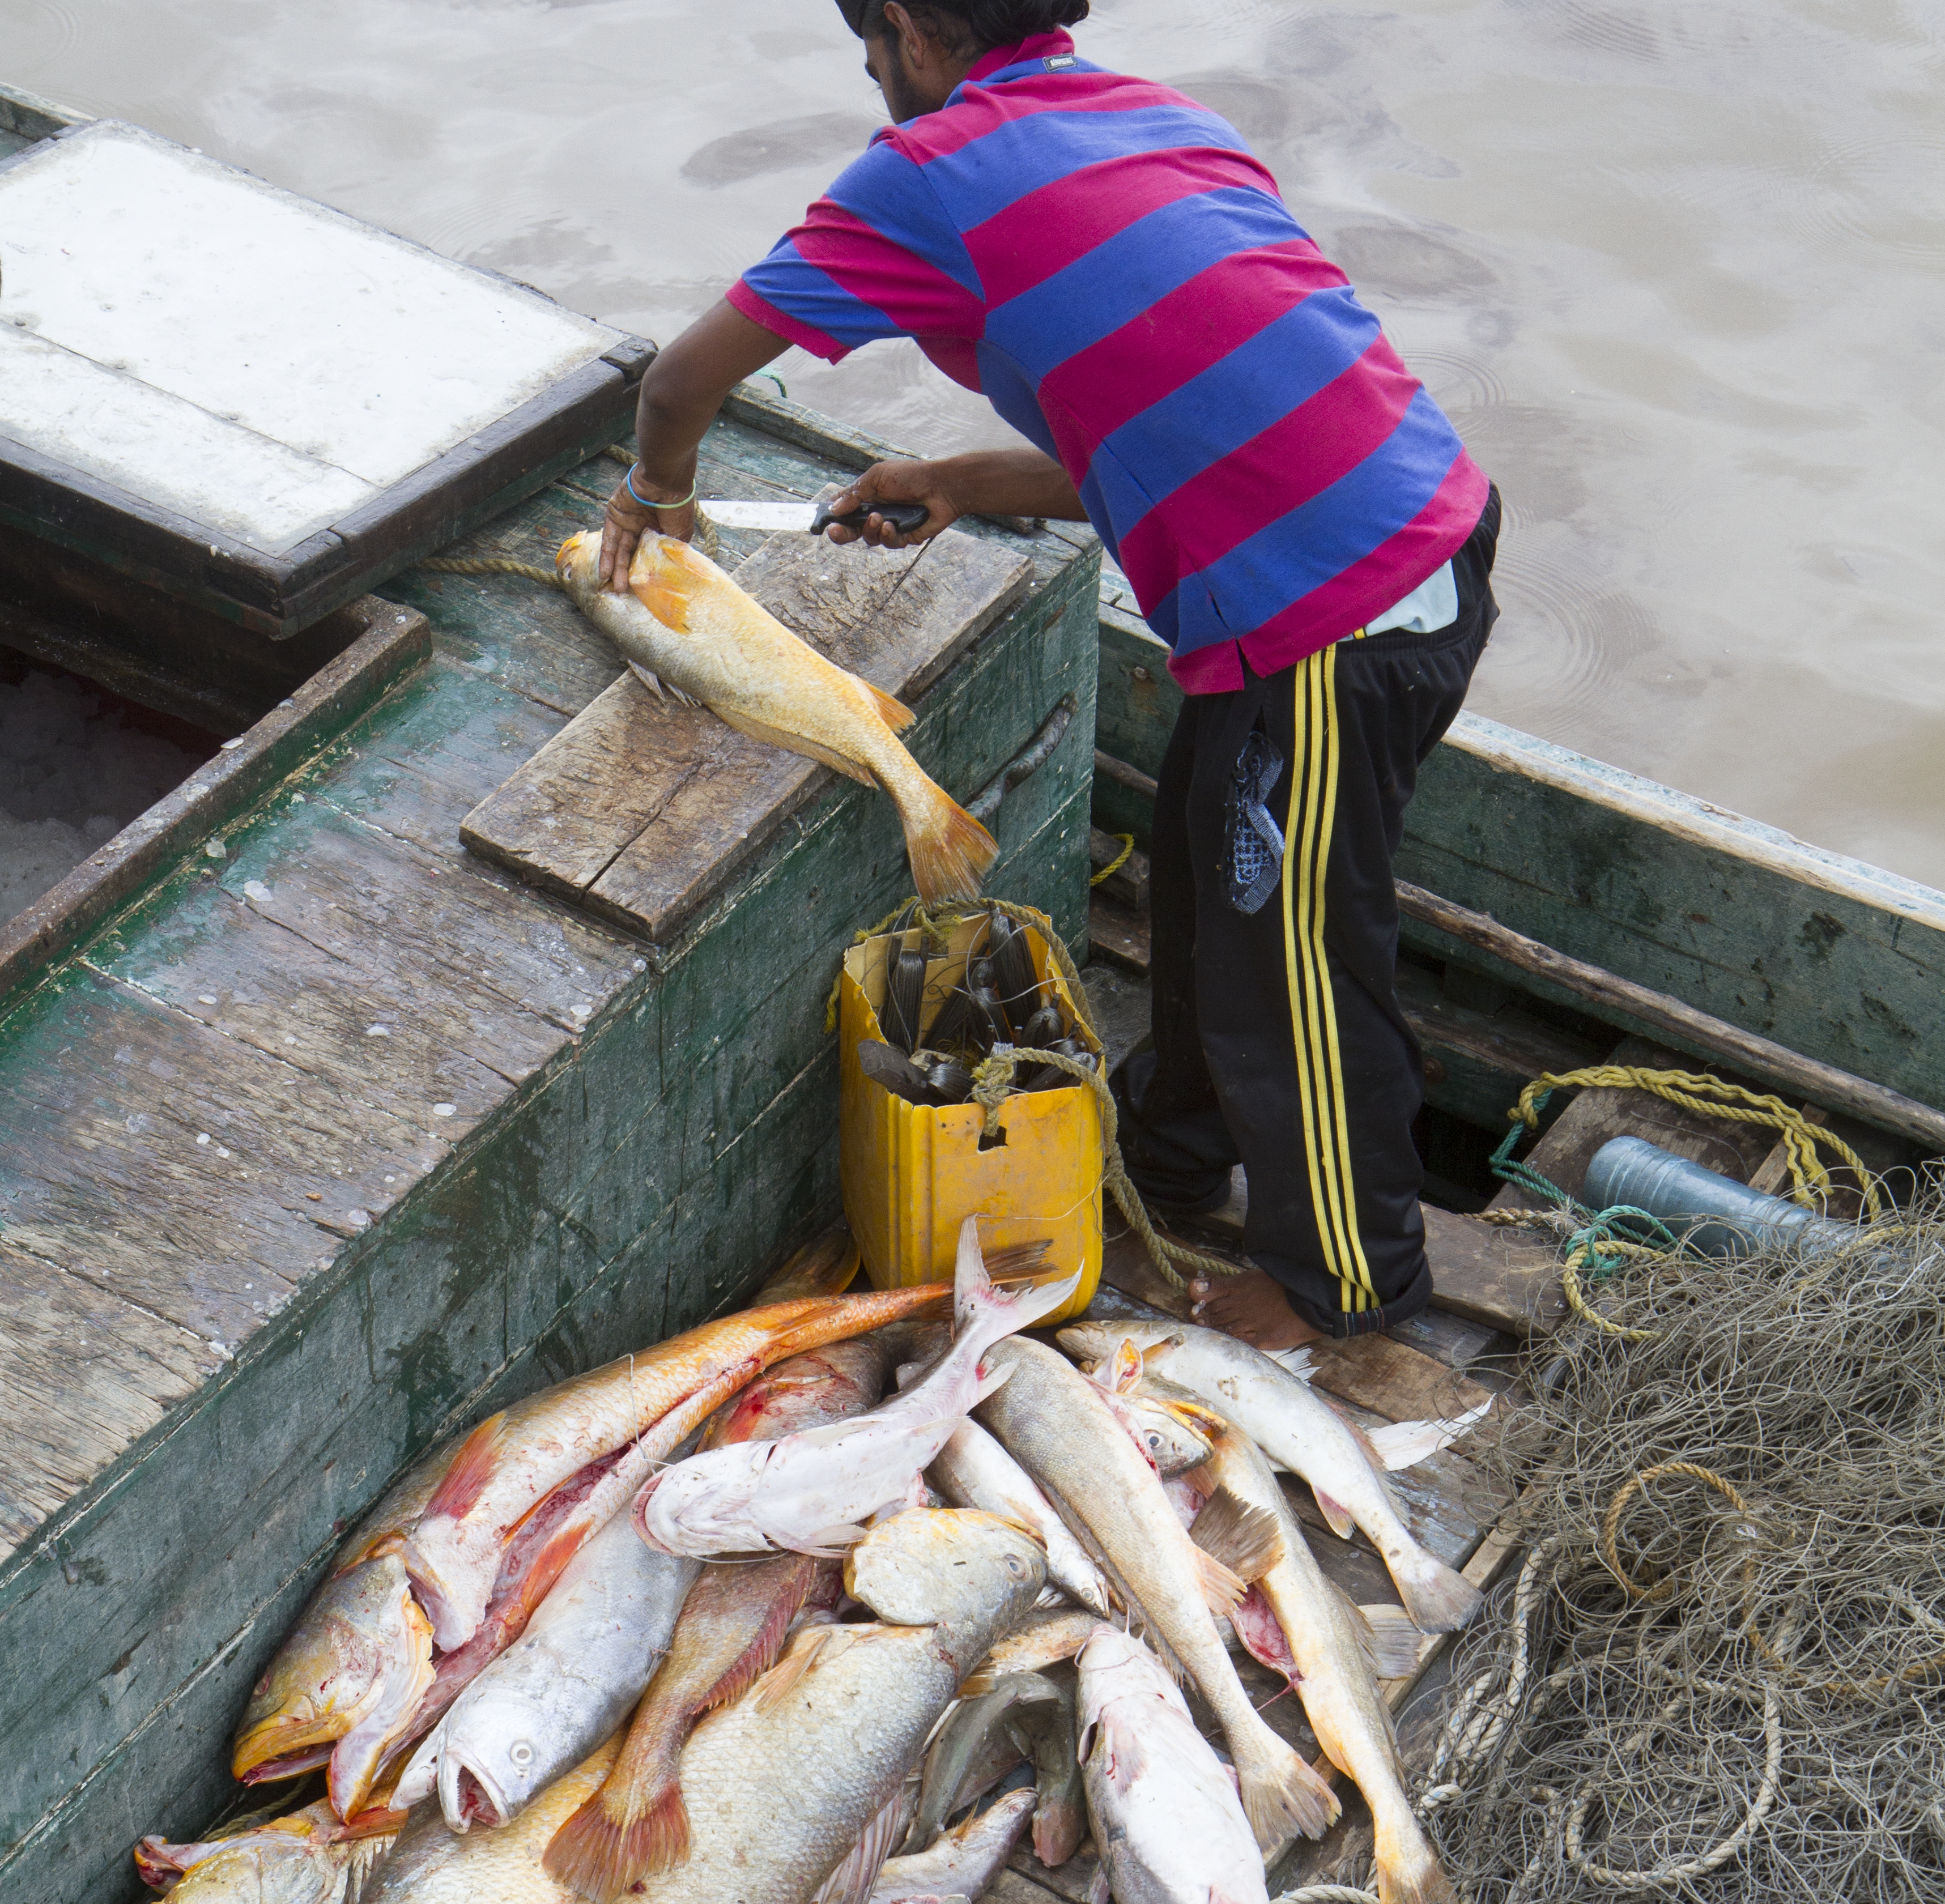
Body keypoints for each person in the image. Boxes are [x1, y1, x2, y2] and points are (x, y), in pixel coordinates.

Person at [598, 0, 1500, 1353]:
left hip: (1337, 620)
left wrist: (657, 501)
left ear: (905, 27)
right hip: (1402, 529)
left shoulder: (921, 173)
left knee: (1298, 954)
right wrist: (965, 480)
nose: (881, 95)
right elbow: (1192, 419)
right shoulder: (1150, 117)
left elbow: (679, 383)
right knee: (1209, 879)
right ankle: (1180, 1155)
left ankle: (1346, 1281)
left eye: (871, 61)